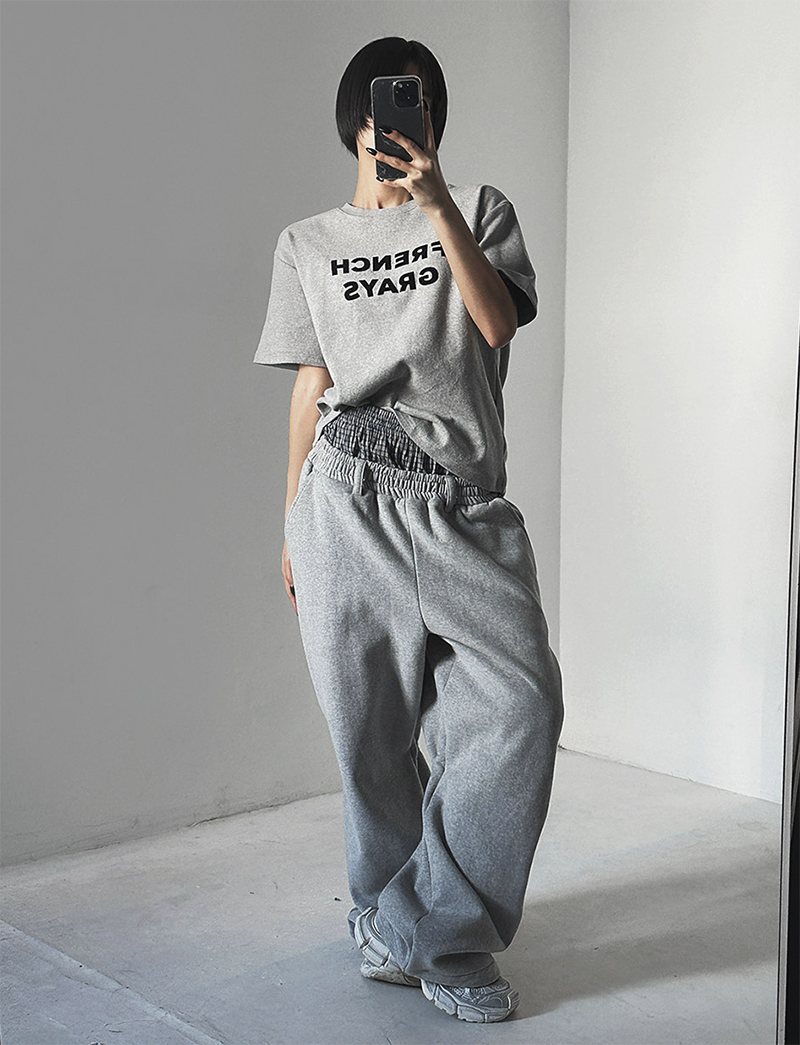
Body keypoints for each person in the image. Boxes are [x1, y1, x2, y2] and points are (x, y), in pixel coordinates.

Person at [253, 36, 564, 1024]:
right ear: (359, 116)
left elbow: (495, 324)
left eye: (423, 102)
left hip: (460, 500)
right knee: (370, 736)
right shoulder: (305, 243)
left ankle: (424, 923)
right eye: (394, 100)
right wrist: (288, 520)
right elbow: (310, 385)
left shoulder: (477, 208)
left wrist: (434, 206)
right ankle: (408, 927)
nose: (404, 116)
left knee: (518, 708)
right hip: (344, 495)